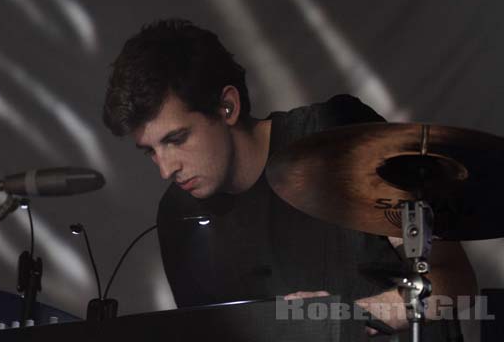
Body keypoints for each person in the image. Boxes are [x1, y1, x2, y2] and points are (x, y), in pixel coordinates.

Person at [101, 19, 477, 338]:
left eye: (177, 139)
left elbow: (455, 284)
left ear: (227, 106)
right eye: (150, 151)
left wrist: (342, 318)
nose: (166, 169)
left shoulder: (336, 135)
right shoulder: (177, 214)